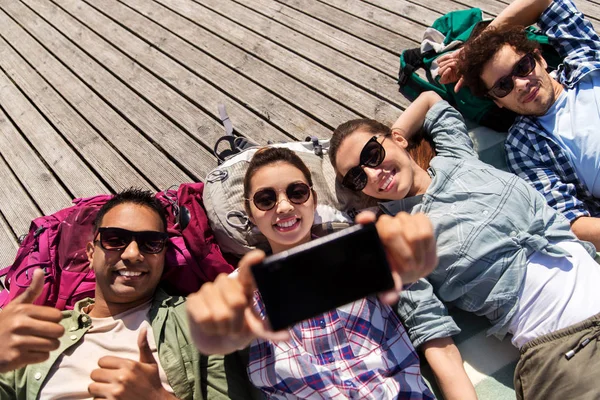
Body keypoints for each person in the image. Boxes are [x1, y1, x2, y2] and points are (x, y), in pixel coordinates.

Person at [329, 91, 600, 400]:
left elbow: (431, 100)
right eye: (355, 178)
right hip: (568, 349)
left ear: (398, 139)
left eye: (373, 155)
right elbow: (435, 339)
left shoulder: (456, 155)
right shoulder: (396, 241)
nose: (372, 173)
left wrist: (398, 134)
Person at [185, 147, 476, 399]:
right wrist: (211, 334)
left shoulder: (364, 252)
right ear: (250, 213)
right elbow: (219, 329)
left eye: (297, 192)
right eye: (265, 199)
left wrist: (411, 264)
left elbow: (434, 332)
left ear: (312, 198)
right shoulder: (244, 291)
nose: (284, 206)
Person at [0, 188, 245, 400]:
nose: (132, 254)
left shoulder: (200, 320)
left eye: (151, 243)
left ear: (163, 255)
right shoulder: (38, 332)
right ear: (90, 253)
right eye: (114, 239)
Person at [437, 0, 600, 248]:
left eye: (523, 67)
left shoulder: (585, 58)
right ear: (497, 101)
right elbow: (572, 222)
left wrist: (475, 47)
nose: (521, 84)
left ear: (539, 58)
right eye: (503, 86)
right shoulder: (524, 144)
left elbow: (545, 2)